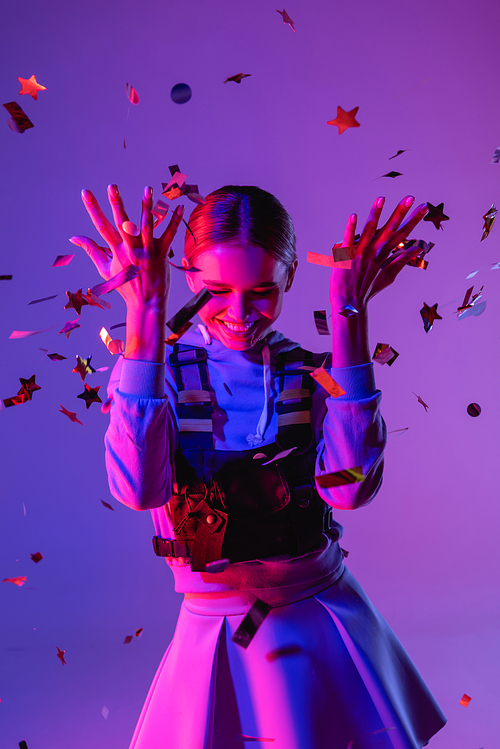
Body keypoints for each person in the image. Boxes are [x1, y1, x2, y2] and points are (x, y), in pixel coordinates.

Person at [71, 184, 446, 749]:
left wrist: (350, 315)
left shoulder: (316, 374)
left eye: (263, 292)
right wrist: (143, 319)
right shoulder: (154, 371)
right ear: (188, 276)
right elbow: (137, 488)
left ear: (290, 278)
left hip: (317, 617)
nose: (241, 314)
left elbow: (348, 492)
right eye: (217, 290)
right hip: (214, 625)